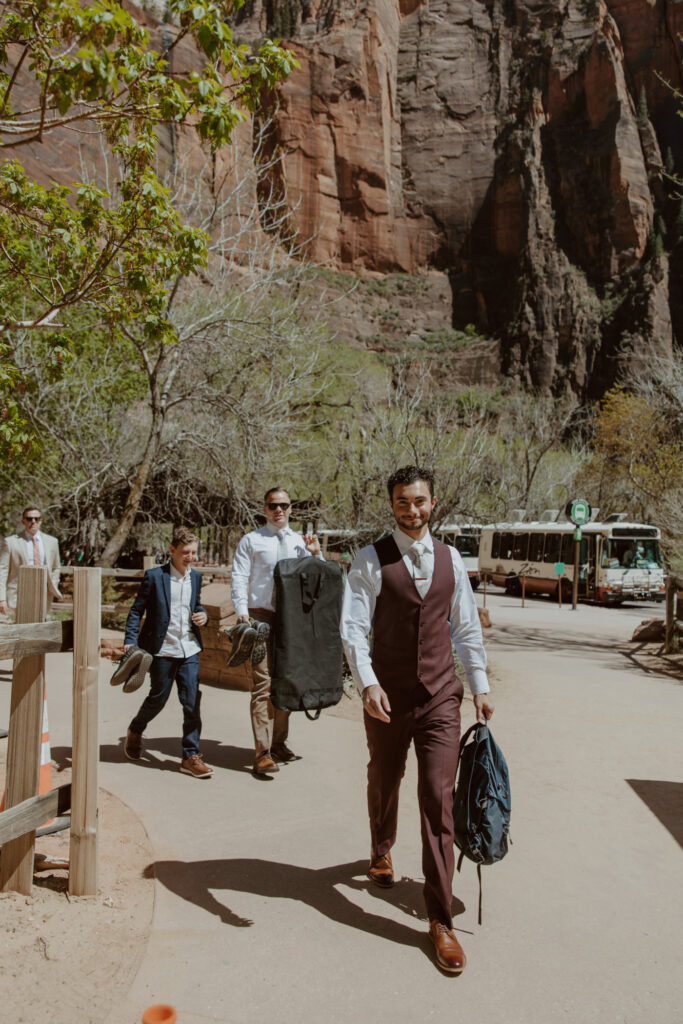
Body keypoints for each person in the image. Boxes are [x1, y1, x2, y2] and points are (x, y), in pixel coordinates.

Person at [340, 465, 494, 975]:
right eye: (403, 502)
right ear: (392, 505)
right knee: (385, 778)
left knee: (437, 795)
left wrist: (481, 688)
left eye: (420, 501)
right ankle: (381, 847)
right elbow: (353, 629)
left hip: (440, 699)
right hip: (386, 697)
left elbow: (466, 628)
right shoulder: (370, 559)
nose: (412, 510)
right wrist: (367, 683)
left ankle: (439, 918)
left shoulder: (452, 559)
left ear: (434, 502)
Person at [231, 487, 322, 777]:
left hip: (291, 621)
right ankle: (262, 753)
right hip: (259, 617)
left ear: (291, 508)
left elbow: (317, 580)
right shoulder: (252, 540)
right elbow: (239, 576)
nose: (278, 510)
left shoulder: (300, 542)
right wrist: (242, 612)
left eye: (283, 505)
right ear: (265, 508)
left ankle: (278, 742)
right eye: (273, 505)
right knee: (262, 683)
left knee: (285, 683)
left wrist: (316, 555)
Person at [123, 526, 212, 779]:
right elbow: (136, 610)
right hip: (162, 650)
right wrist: (130, 640)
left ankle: (190, 755)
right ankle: (136, 729)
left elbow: (195, 606)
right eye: (185, 552)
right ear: (172, 550)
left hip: (189, 648)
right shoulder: (155, 577)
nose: (190, 557)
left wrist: (202, 615)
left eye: (193, 552)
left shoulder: (196, 577)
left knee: (192, 701)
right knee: (158, 698)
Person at [0, 506, 62, 618]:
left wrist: (53, 586)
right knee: (20, 626)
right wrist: (1, 598)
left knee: (40, 626)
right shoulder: (10, 542)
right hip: (18, 593)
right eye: (29, 519)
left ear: (41, 520)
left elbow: (56, 567)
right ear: (23, 521)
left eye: (36, 519)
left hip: (43, 592)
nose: (33, 522)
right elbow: (2, 570)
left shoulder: (52, 542)